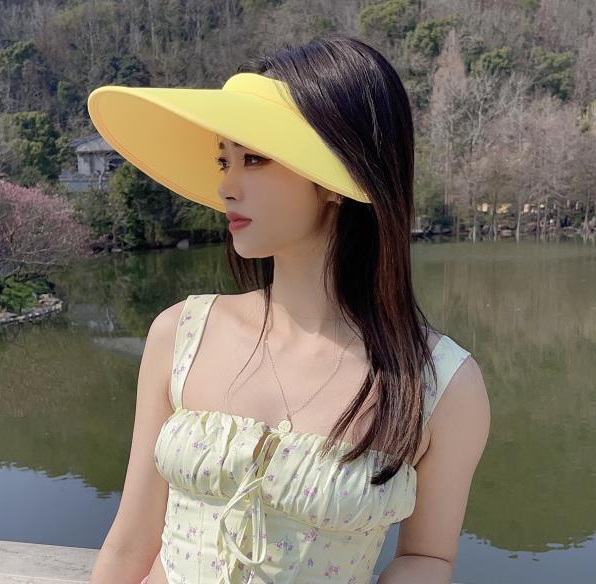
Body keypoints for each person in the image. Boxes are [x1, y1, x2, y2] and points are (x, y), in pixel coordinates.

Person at [87, 35, 490, 584]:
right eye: (224, 160)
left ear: (336, 180)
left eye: (254, 158)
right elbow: (130, 542)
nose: (226, 186)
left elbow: (427, 556)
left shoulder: (439, 383)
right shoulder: (180, 334)